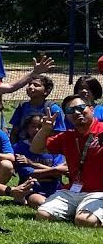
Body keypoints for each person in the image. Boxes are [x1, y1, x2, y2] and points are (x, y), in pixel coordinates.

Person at [30, 94, 103, 226]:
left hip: (99, 192)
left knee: (84, 221)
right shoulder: (67, 137)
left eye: (81, 108)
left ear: (91, 109)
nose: (76, 112)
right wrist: (45, 130)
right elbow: (36, 148)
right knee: (43, 215)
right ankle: (78, 210)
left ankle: (83, 213)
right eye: (70, 111)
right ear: (67, 116)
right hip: (72, 191)